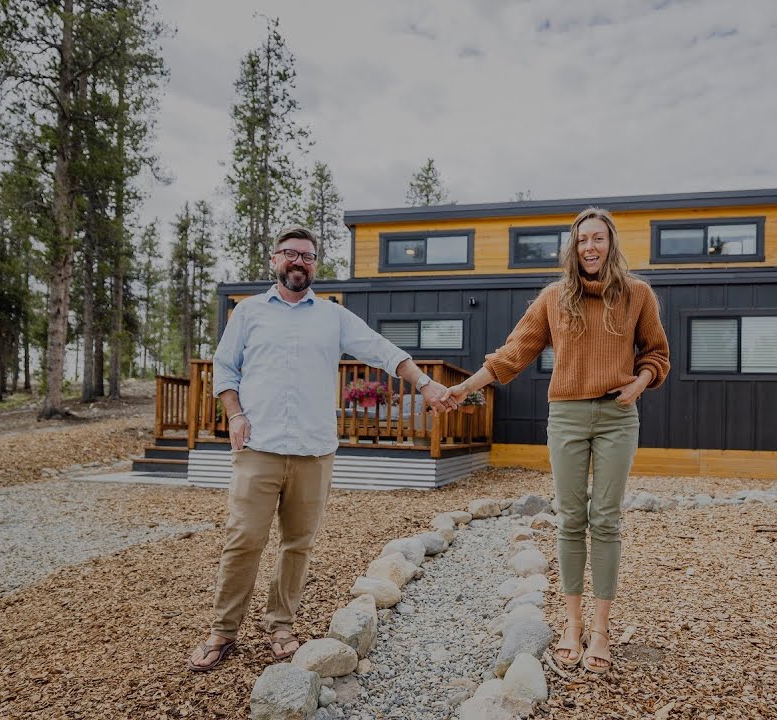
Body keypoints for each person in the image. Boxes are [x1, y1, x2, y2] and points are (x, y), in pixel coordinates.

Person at [187, 226, 458, 672]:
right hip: (258, 447)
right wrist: (234, 415)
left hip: (314, 451)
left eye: (307, 256)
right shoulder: (249, 312)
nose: (298, 262)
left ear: (314, 265)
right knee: (243, 540)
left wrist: (425, 384)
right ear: (275, 260)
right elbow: (225, 368)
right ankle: (223, 631)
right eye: (290, 253)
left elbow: (382, 350)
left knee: (298, 545)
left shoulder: (333, 317)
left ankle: (281, 627)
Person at [442, 207, 669, 674]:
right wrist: (466, 386)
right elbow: (513, 353)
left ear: (611, 243)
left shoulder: (638, 294)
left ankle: (600, 630)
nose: (590, 246)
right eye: (582, 239)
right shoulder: (554, 298)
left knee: (605, 520)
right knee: (570, 519)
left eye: (598, 238)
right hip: (566, 416)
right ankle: (572, 623)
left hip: (617, 415)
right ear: (573, 247)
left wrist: (640, 382)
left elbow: (657, 353)